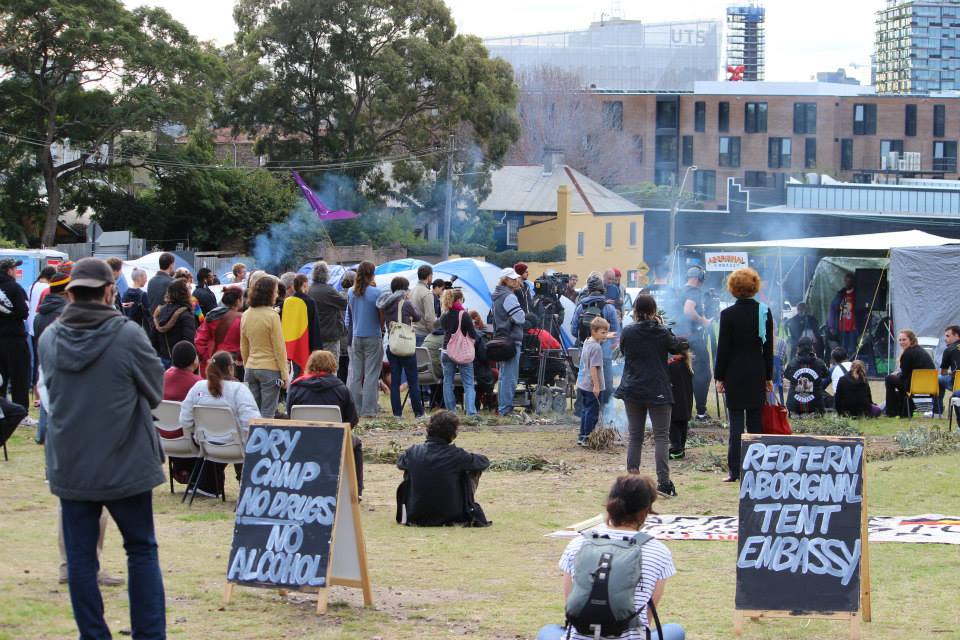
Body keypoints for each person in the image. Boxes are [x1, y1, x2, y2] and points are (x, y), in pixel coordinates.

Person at [38, 257, 166, 638]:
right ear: (109, 291)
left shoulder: (49, 338)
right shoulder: (126, 335)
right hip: (126, 462)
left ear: (71, 292)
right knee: (141, 550)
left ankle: (93, 635)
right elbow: (155, 392)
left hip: (72, 464)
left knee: (80, 558)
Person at [536, 475, 684, 640]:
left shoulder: (578, 544)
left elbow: (571, 607)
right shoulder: (658, 551)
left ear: (609, 506)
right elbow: (646, 619)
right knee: (675, 630)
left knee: (548, 630)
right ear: (645, 511)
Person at [615, 295, 683, 496]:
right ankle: (664, 482)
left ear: (635, 311)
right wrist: (663, 327)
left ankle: (632, 480)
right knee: (661, 437)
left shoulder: (627, 331)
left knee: (635, 437)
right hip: (658, 389)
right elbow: (677, 347)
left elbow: (624, 350)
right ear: (654, 312)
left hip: (633, 388)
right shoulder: (661, 332)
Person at [714, 267, 774, 483]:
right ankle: (757, 468)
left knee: (736, 424)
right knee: (756, 422)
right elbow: (768, 349)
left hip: (734, 373)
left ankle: (735, 471)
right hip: (757, 371)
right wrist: (769, 377)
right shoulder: (764, 312)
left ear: (733, 289)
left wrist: (719, 377)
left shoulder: (727, 314)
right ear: (755, 287)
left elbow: (724, 348)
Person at [179, 351, 261, 495]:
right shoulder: (239, 390)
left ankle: (206, 486)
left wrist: (200, 432)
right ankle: (247, 484)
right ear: (230, 368)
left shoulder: (198, 387)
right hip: (235, 447)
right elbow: (253, 424)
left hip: (207, 446)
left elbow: (184, 420)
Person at [286, 349, 364, 495]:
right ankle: (356, 490)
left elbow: (290, 415)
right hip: (334, 440)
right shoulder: (341, 388)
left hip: (302, 440)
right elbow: (352, 419)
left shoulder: (296, 387)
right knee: (356, 443)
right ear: (333, 366)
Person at [395, 411, 490, 527]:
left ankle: (418, 503)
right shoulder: (456, 455)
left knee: (410, 467)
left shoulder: (413, 452)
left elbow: (400, 463)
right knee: (471, 468)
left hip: (416, 514)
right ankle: (466, 505)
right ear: (452, 434)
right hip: (452, 514)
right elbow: (483, 462)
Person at [240, 275, 288, 419]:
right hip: (269, 369)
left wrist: (247, 365)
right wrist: (285, 375)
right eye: (275, 291)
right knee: (268, 413)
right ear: (269, 293)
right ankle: (265, 441)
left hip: (251, 368)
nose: (277, 294)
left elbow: (244, 345)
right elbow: (279, 348)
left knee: (253, 412)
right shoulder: (272, 316)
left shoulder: (246, 314)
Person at [376, 276, 423, 418]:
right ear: (404, 289)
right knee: (413, 381)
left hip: (393, 345)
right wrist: (408, 301)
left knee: (395, 382)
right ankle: (418, 413)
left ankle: (397, 413)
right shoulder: (406, 303)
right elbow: (418, 317)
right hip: (406, 345)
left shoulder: (386, 304)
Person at [571, 273, 620, 408]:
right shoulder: (608, 307)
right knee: (606, 383)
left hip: (585, 351)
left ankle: (583, 411)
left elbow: (574, 330)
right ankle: (604, 411)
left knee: (585, 381)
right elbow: (615, 332)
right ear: (602, 288)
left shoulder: (581, 307)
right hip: (604, 352)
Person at [348, 261, 384, 417]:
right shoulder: (377, 293)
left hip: (356, 336)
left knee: (356, 375)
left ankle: (355, 408)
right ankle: (369, 410)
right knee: (371, 374)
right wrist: (381, 327)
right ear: (372, 274)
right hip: (373, 335)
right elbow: (381, 316)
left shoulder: (351, 292)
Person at [677, 266, 712, 420]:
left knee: (683, 375)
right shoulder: (694, 291)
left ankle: (683, 411)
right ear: (700, 278)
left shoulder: (680, 291)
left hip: (678, 339)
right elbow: (688, 310)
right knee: (703, 374)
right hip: (693, 339)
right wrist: (703, 321)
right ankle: (701, 412)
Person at [492, 267, 527, 415]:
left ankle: (502, 407)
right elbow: (521, 318)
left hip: (501, 338)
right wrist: (521, 315)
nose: (516, 280)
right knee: (510, 377)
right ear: (505, 280)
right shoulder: (509, 296)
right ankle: (505, 408)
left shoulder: (497, 295)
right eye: (512, 278)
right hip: (511, 340)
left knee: (503, 376)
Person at [439, 288, 479, 416]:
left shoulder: (444, 315)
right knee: (468, 383)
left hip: (446, 351)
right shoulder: (464, 315)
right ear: (460, 299)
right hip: (462, 352)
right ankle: (471, 412)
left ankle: (451, 412)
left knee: (447, 382)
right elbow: (473, 334)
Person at [0, 257, 32, 419]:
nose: (17, 271)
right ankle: (21, 413)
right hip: (14, 338)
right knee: (20, 377)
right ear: (9, 271)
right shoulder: (15, 288)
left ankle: (2, 412)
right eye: (15, 268)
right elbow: (24, 312)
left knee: (1, 379)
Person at [884, 329, 936, 417]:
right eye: (900, 340)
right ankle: (902, 410)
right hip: (930, 386)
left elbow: (904, 375)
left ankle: (891, 411)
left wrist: (896, 374)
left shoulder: (908, 353)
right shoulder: (920, 350)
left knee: (889, 379)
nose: (901, 342)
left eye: (904, 339)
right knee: (897, 380)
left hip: (914, 385)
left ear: (911, 340)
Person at [195, 286, 243, 376]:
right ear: (238, 300)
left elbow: (199, 340)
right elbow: (244, 343)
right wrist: (240, 359)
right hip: (232, 363)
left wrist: (206, 358)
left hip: (212, 361)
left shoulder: (211, 316)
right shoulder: (241, 319)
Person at [576, 316, 609, 446]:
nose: (605, 335)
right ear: (594, 331)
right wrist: (596, 386)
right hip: (591, 385)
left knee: (585, 410)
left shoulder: (587, 342)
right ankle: (588, 438)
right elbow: (593, 368)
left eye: (606, 332)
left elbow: (600, 336)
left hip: (583, 384)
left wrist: (606, 335)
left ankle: (582, 436)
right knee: (592, 412)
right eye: (603, 332)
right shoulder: (596, 348)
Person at [152, 279, 198, 369]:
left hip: (163, 361)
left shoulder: (160, 312)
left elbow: (153, 339)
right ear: (184, 293)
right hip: (181, 363)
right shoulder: (186, 314)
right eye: (188, 288)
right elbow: (189, 342)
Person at [283, 273, 322, 378]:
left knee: (296, 371)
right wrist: (317, 347)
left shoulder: (287, 302)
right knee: (305, 372)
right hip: (306, 342)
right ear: (304, 285)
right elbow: (315, 325)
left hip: (292, 342)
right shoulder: (309, 301)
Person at [308, 260, 348, 360]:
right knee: (331, 367)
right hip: (330, 336)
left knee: (317, 368)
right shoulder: (328, 290)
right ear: (326, 274)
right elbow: (344, 304)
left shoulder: (309, 290)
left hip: (314, 336)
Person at [783, 336, 830, 416]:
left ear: (798, 348)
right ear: (812, 347)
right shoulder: (820, 362)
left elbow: (787, 376)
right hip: (816, 407)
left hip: (794, 407)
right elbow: (826, 374)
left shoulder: (792, 363)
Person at [468, 310, 498, 412]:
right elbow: (484, 358)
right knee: (494, 373)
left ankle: (479, 401)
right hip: (478, 371)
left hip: (462, 371)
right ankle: (487, 401)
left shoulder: (461, 335)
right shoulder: (479, 337)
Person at [668, 343, 694, 461]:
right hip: (686, 402)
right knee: (683, 426)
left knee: (674, 426)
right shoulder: (686, 364)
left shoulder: (672, 366)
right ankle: (681, 448)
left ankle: (676, 449)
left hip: (675, 402)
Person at [830, 272, 860, 359]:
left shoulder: (857, 293)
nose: (847, 282)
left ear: (853, 281)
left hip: (853, 327)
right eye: (845, 281)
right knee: (843, 348)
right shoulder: (841, 293)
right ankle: (843, 364)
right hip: (842, 326)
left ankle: (851, 366)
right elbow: (833, 307)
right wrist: (832, 326)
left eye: (849, 280)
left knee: (852, 349)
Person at [411, 264, 438, 346]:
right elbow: (429, 318)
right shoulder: (427, 293)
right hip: (422, 334)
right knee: (423, 359)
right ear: (429, 276)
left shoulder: (412, 290)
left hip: (412, 332)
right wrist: (433, 332)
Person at [937, 325, 960, 416]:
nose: (945, 339)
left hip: (956, 384)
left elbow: (943, 372)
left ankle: (937, 411)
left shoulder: (949, 350)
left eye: (947, 336)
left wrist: (951, 372)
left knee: (938, 378)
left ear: (957, 335)